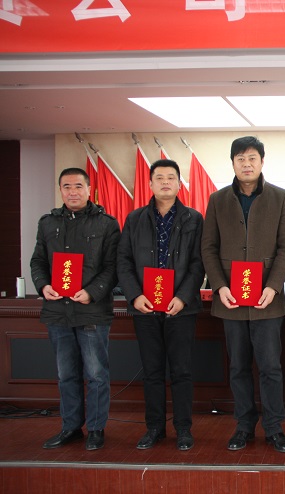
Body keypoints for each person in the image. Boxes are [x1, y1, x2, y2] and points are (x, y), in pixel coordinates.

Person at [201, 136, 285, 453]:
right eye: (240, 158)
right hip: (230, 300)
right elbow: (208, 248)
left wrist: (273, 286)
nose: (246, 164)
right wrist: (219, 286)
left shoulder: (280, 198)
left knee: (270, 368)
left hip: (267, 300)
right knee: (238, 368)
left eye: (252, 157)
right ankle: (243, 426)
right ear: (232, 163)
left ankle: (274, 428)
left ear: (262, 161)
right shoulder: (217, 200)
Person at [30, 167, 120, 451]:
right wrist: (43, 285)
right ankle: (70, 427)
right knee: (66, 374)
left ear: (89, 189)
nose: (72, 192)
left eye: (78, 186)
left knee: (96, 374)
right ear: (60, 190)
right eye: (66, 186)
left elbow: (113, 267)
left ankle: (95, 428)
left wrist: (92, 292)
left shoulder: (106, 224)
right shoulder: (48, 223)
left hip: (92, 310)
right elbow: (38, 261)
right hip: (58, 311)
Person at [117, 159, 204, 451]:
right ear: (150, 184)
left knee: (182, 371)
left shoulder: (194, 219)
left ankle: (183, 429)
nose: (165, 182)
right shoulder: (135, 219)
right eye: (159, 178)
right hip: (145, 307)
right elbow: (123, 261)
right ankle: (154, 428)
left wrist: (183, 297)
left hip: (181, 308)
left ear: (179, 184)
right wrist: (134, 295)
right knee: (152, 372)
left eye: (171, 178)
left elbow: (198, 263)